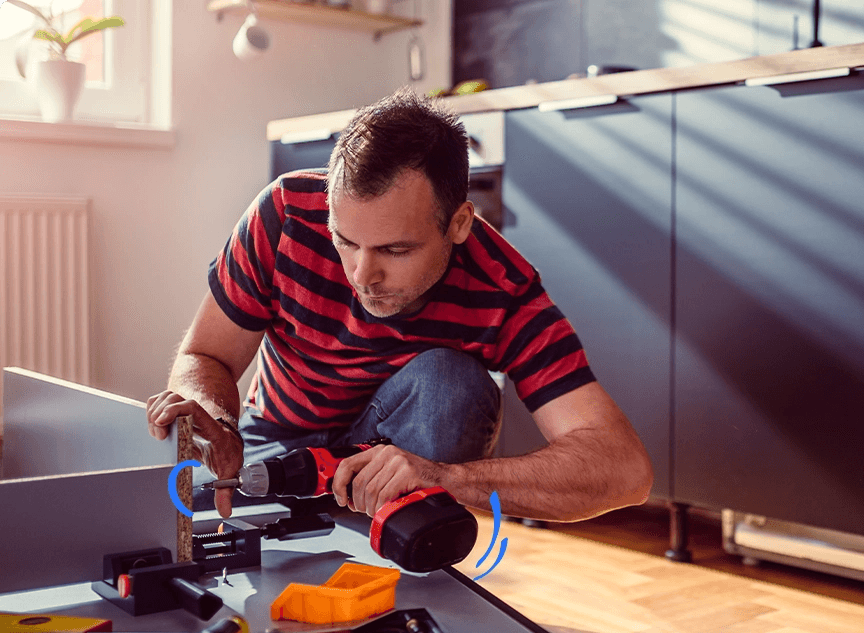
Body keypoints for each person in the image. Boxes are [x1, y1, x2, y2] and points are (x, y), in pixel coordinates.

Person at [146, 87, 652, 522]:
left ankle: (405, 541)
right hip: (276, 440)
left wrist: (446, 479)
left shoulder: (504, 289)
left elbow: (625, 471)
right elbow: (205, 356)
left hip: (395, 470)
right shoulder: (284, 215)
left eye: (396, 250)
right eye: (345, 241)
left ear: (459, 224)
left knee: (451, 385)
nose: (362, 277)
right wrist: (219, 422)